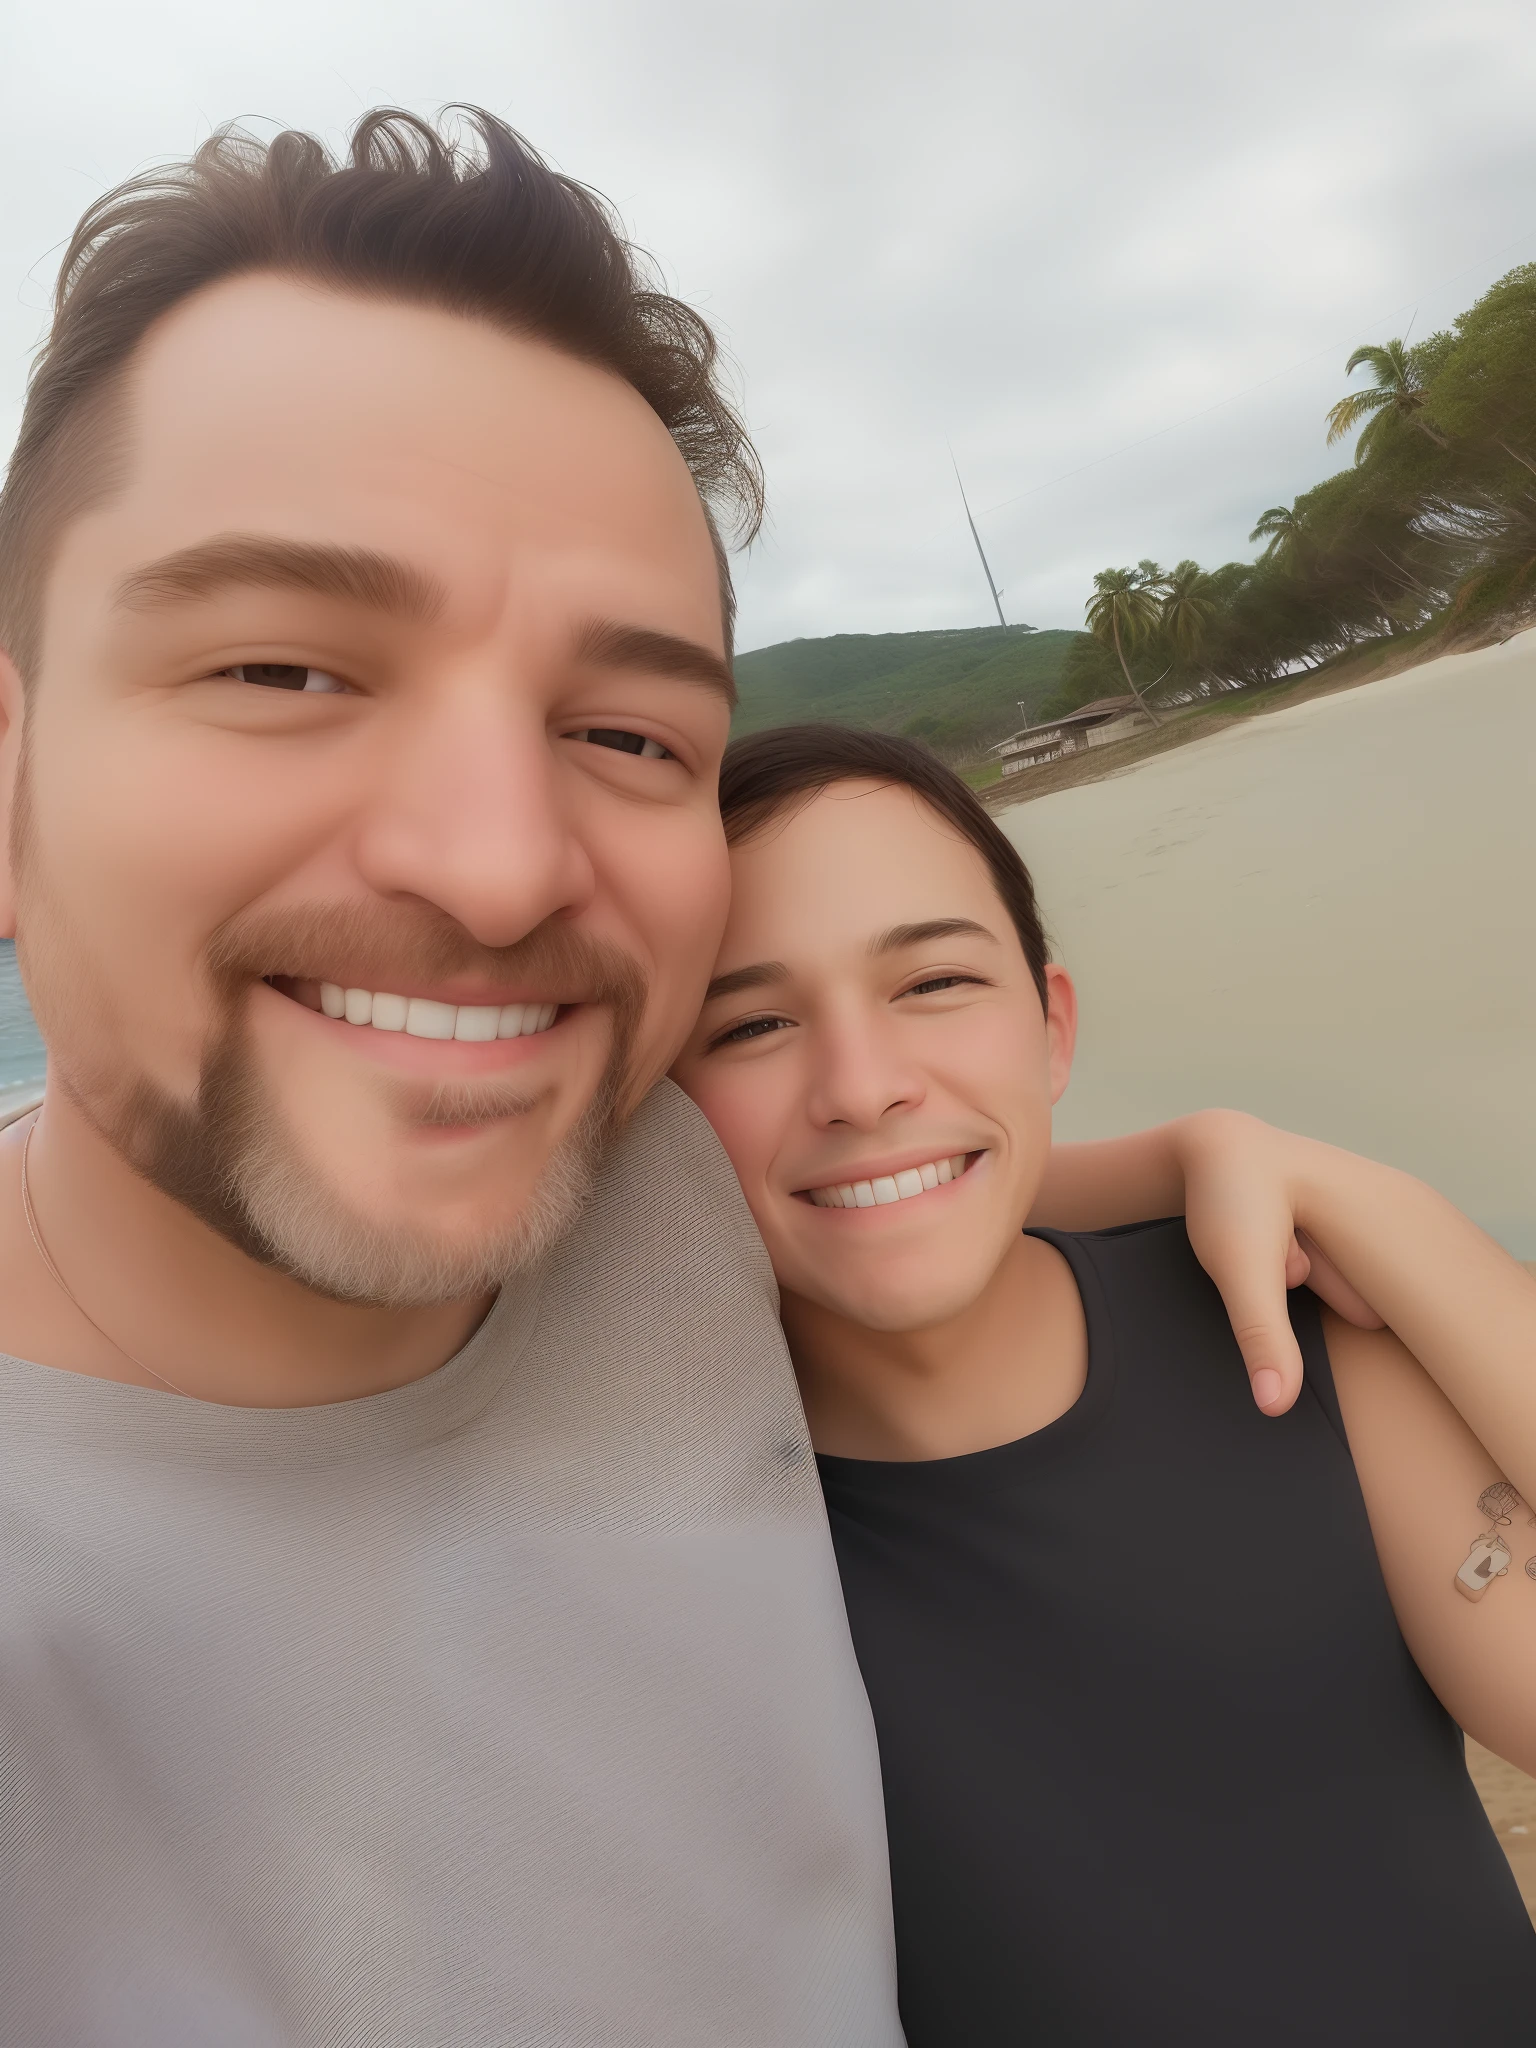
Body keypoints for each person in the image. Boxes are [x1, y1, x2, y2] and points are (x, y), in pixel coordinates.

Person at [0, 104, 1493, 2041]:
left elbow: (906, 1159)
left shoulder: (652, 1184)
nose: (499, 862)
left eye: (627, 734)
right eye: (287, 668)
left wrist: (1275, 1164)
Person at [671, 723, 1536, 2047]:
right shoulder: (659, 1538)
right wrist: (1163, 1155)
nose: (862, 1086)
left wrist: (1371, 1200)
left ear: (1052, 1025)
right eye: (753, 1023)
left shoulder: (1275, 1341)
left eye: (935, 984)